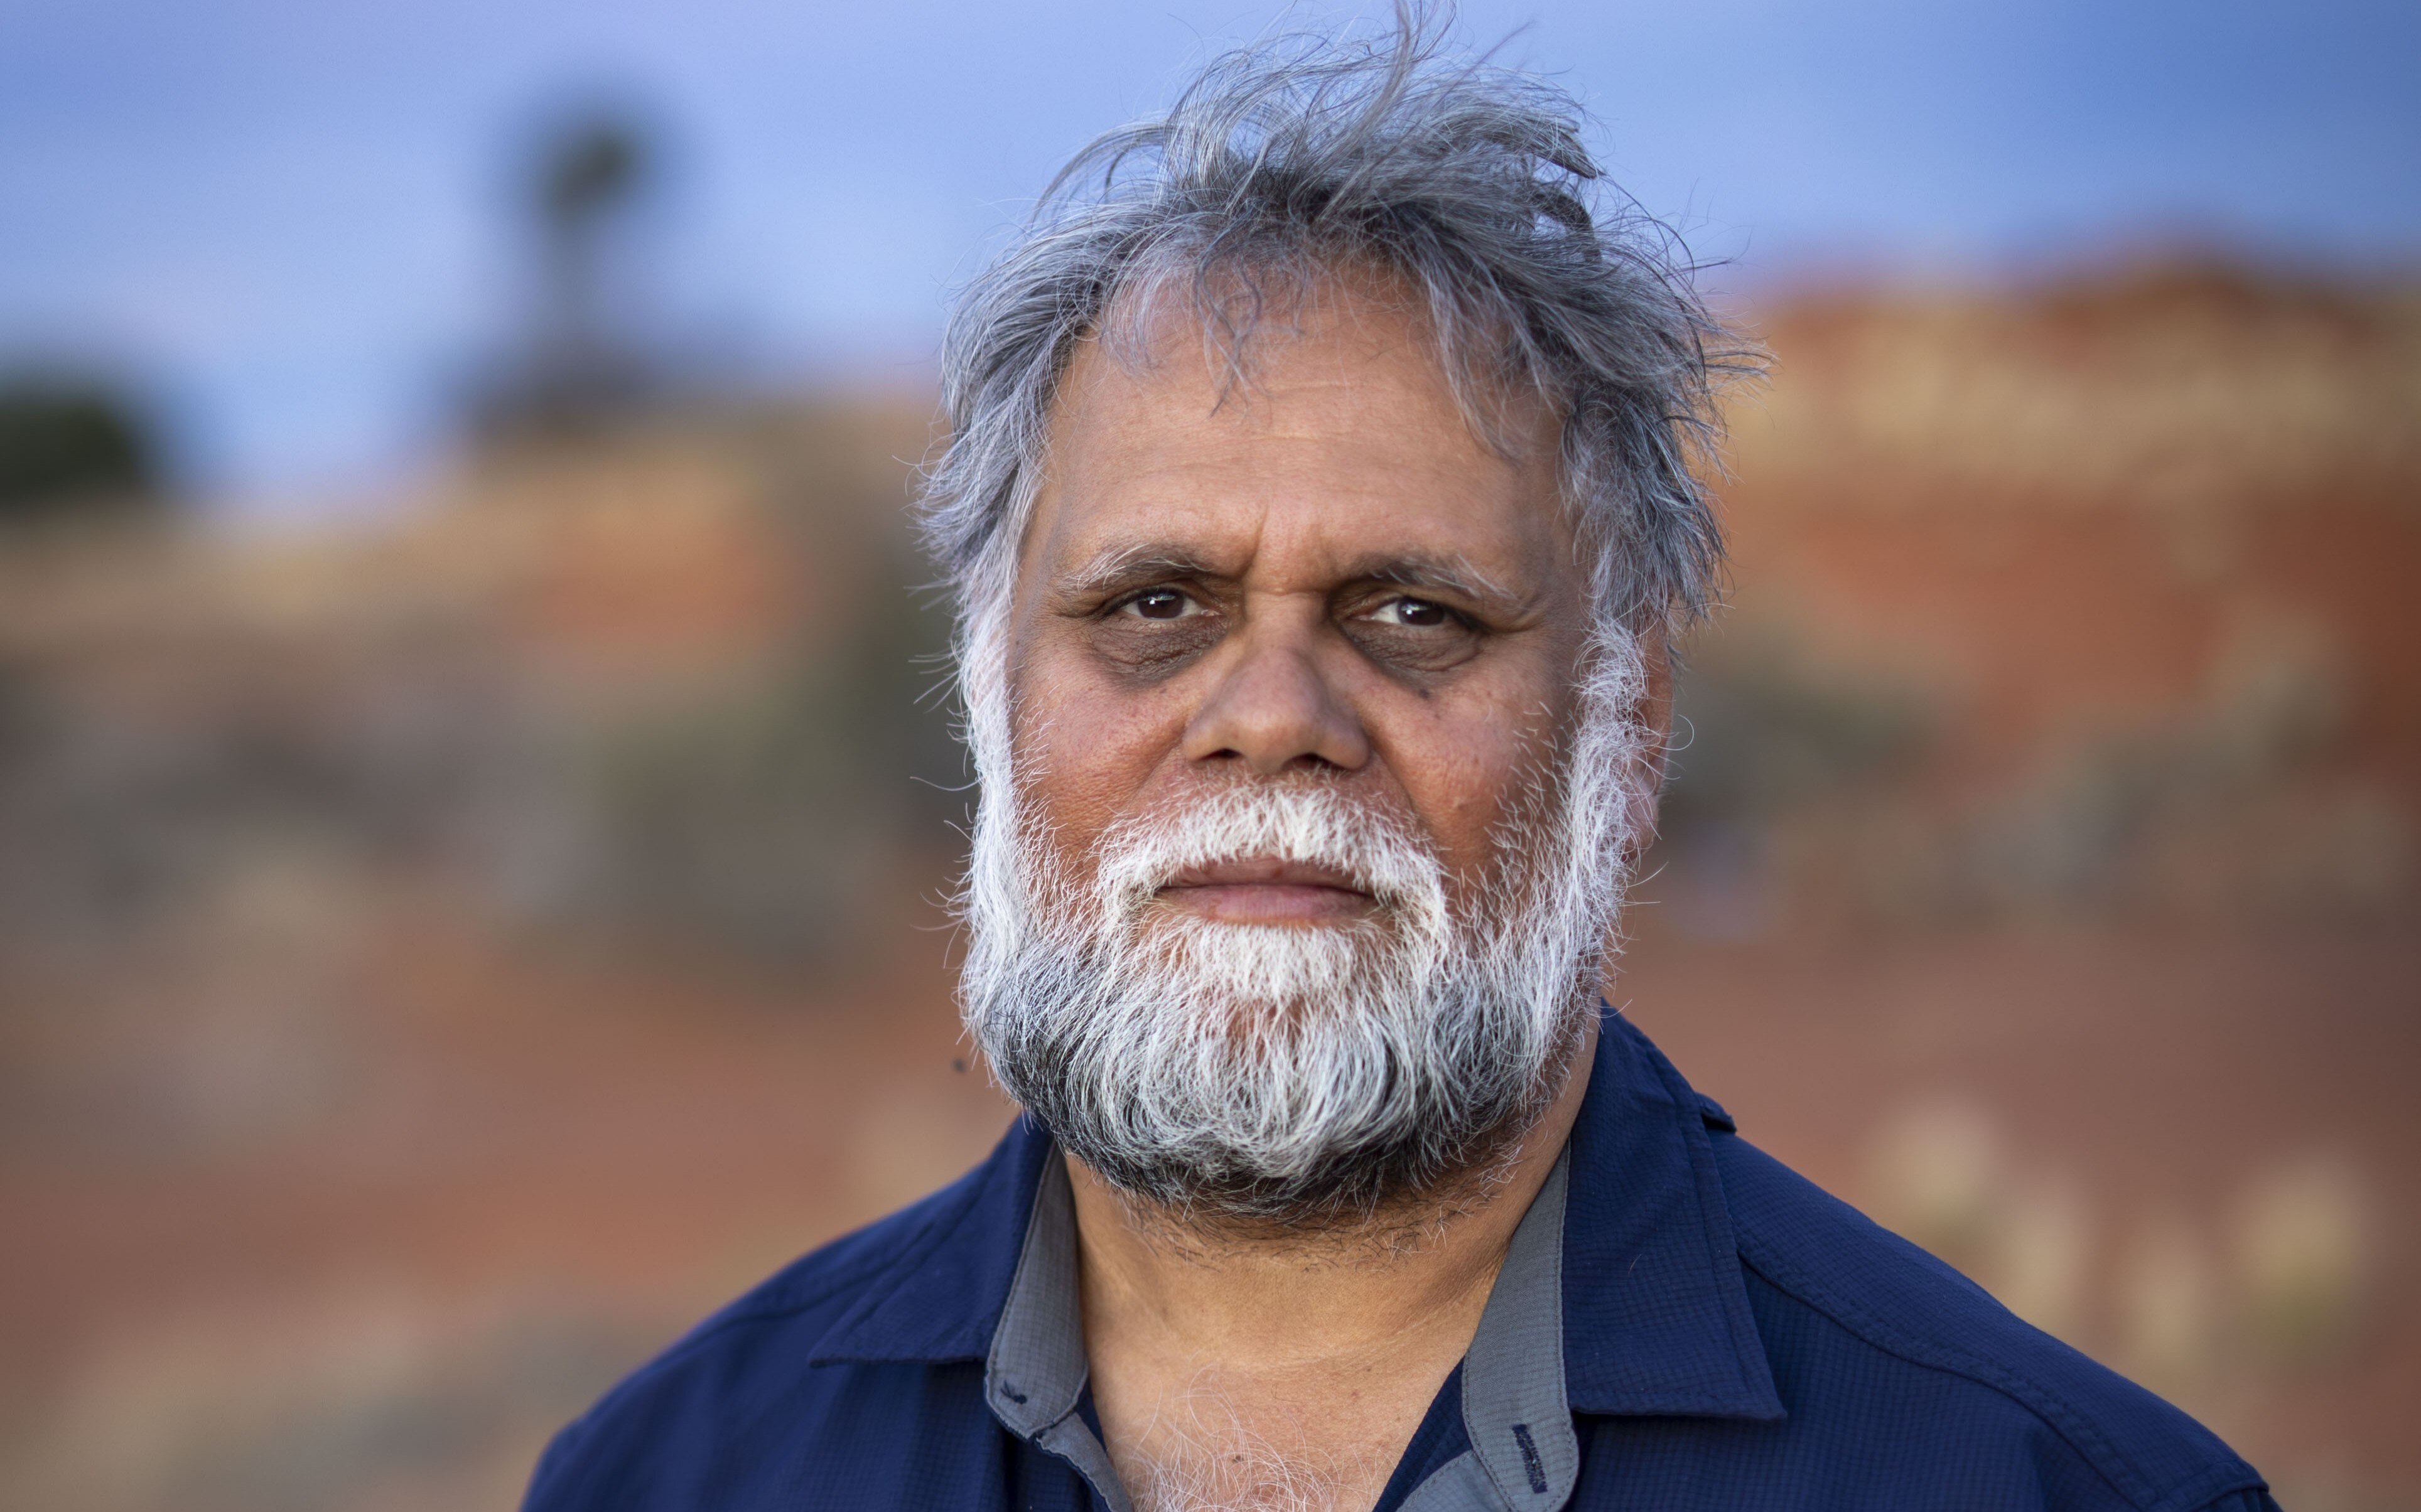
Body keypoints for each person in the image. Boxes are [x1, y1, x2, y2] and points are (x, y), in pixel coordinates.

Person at [522, 13, 2275, 1511]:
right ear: (989, 696)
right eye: (1153, 606)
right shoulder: (673, 1478)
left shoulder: (2040, 1487)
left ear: (1627, 726)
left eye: (1416, 613)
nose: (1275, 711)